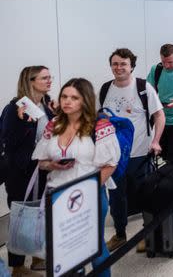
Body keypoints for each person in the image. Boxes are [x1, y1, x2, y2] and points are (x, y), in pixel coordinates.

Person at [33, 78, 120, 277]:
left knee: (93, 247)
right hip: (57, 196)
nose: (67, 101)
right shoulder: (53, 125)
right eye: (64, 96)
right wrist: (51, 164)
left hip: (90, 196)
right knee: (65, 250)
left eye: (74, 97)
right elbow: (41, 161)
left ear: (85, 100)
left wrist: (88, 191)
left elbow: (110, 164)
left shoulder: (99, 126)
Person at [101, 48, 165, 253]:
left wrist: (156, 141)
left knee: (146, 195)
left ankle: (149, 235)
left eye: (123, 64)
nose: (119, 68)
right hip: (114, 158)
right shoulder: (104, 90)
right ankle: (120, 234)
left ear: (132, 67)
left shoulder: (143, 88)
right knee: (117, 198)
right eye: (115, 64)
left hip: (139, 154)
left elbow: (159, 116)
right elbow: (98, 119)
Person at [1, 66, 54, 276]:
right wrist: (26, 123)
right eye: (44, 78)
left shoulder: (46, 104)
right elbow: (8, 141)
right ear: (30, 81)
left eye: (50, 77)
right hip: (21, 173)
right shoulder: (15, 108)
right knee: (22, 215)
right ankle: (17, 266)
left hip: (42, 169)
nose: (49, 80)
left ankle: (37, 256)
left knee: (39, 213)